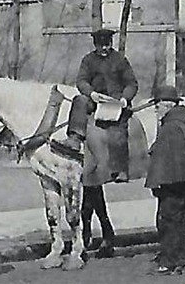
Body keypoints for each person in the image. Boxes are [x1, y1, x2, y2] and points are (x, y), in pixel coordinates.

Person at [59, 28, 139, 180]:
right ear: (95, 45)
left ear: (110, 43)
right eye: (100, 45)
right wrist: (91, 93)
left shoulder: (120, 60)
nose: (104, 48)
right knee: (79, 100)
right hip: (96, 100)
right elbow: (81, 80)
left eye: (107, 44)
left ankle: (120, 169)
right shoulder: (88, 60)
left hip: (115, 102)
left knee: (118, 131)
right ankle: (75, 138)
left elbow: (132, 83)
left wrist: (124, 98)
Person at [145, 85, 185, 274]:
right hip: (183, 181)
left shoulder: (171, 127)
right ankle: (181, 257)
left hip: (172, 183)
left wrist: (157, 181)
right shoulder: (182, 122)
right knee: (178, 220)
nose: (157, 109)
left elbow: (165, 158)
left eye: (158, 105)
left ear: (168, 104)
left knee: (167, 220)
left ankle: (170, 261)